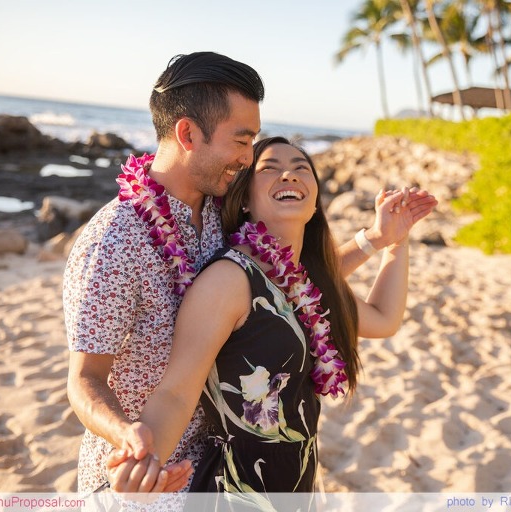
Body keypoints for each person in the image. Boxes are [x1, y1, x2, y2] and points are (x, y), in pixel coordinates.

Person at [64, 51, 437, 495]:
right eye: (242, 141)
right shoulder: (116, 240)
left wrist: (375, 241)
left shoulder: (219, 211)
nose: (247, 157)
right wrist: (128, 438)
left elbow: (289, 284)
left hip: (214, 466)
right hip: (139, 475)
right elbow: (85, 378)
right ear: (187, 133)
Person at [106, 137, 430, 506]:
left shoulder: (301, 285)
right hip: (239, 490)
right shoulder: (229, 279)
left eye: (301, 168)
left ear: (314, 199)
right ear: (243, 198)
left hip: (296, 484)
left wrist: (396, 242)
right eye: (270, 168)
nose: (289, 175)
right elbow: (176, 392)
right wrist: (143, 460)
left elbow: (383, 320)